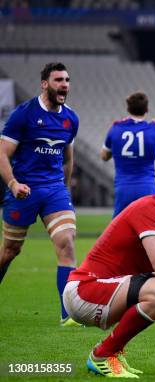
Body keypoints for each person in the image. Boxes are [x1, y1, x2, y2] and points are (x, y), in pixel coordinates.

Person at [63, 171, 155, 377]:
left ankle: (114, 352)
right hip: (84, 290)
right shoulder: (150, 208)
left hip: (110, 291)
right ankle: (102, 355)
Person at [0, 62, 80, 326]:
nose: (64, 85)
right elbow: (2, 152)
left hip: (54, 189)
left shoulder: (71, 118)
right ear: (44, 83)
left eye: (67, 80)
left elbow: (68, 158)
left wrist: (64, 189)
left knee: (67, 242)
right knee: (11, 250)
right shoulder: (24, 114)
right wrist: (12, 184)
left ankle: (68, 314)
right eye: (59, 80)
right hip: (23, 190)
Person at [101, 91, 155, 217]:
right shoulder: (154, 130)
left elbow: (104, 156)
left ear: (128, 108)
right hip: (147, 188)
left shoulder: (116, 129)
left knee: (120, 230)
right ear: (147, 109)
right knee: (151, 227)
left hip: (123, 188)